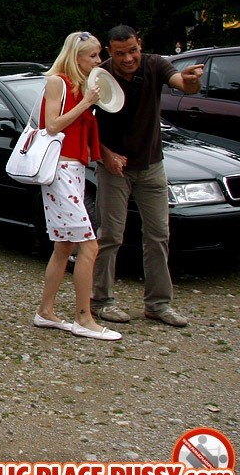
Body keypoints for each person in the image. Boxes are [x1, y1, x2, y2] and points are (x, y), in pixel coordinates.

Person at [93, 25, 204, 328]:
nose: (128, 58)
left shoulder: (155, 64)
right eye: (120, 53)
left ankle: (158, 305)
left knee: (158, 236)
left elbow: (181, 82)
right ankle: (101, 301)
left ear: (139, 44)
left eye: (132, 50)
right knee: (110, 236)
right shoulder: (100, 76)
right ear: (108, 51)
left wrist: (192, 82)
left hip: (152, 165)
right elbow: (84, 124)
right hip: (114, 168)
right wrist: (105, 154)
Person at [33, 31, 120, 341]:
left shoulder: (83, 84)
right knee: (89, 245)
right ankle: (84, 317)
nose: (98, 61)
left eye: (99, 55)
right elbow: (52, 124)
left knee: (64, 246)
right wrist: (85, 103)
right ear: (76, 56)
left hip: (75, 168)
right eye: (93, 56)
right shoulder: (58, 81)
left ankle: (45, 311)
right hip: (60, 170)